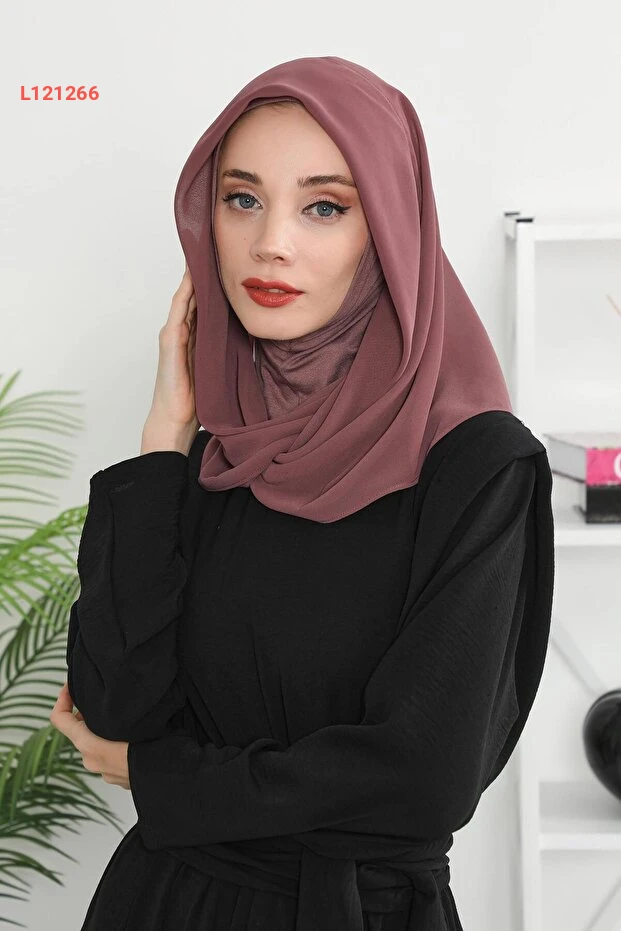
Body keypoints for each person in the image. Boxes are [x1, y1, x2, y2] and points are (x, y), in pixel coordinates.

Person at [51, 55, 555, 931]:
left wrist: (163, 777)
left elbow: (423, 778)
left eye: (324, 206)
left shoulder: (479, 467)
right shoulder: (217, 456)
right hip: (160, 904)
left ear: (389, 230)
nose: (270, 242)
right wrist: (164, 438)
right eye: (241, 198)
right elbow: (114, 708)